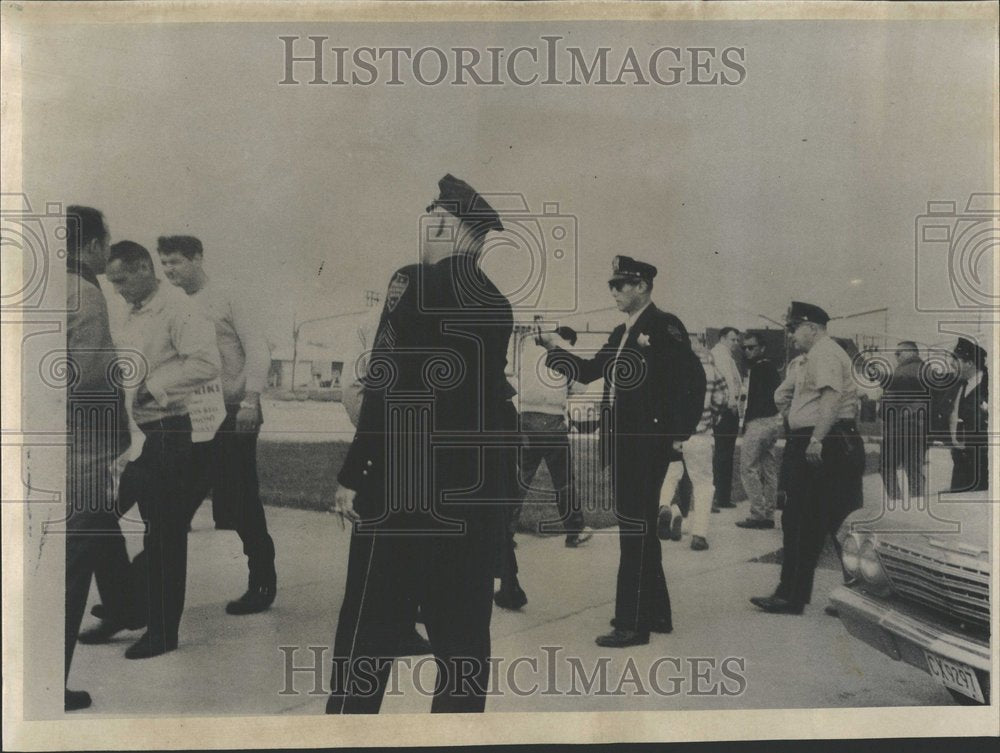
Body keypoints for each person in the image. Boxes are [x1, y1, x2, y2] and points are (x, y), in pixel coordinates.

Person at [326, 174, 515, 713]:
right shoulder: (497, 304)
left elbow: (385, 383)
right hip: (469, 501)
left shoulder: (411, 282)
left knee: (366, 638)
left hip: (401, 496)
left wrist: (353, 472)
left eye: (430, 219)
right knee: (462, 649)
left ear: (444, 223)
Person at [539, 255, 704, 647]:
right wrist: (553, 348)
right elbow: (589, 371)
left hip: (647, 443)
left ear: (643, 286)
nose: (614, 291)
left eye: (621, 285)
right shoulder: (623, 332)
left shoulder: (663, 326)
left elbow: (691, 380)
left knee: (634, 530)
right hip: (625, 444)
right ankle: (656, 613)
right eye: (612, 285)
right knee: (640, 526)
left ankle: (632, 623)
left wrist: (678, 434)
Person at [103, 241, 221, 658]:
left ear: (141, 269)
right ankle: (123, 607)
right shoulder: (129, 309)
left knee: (165, 533)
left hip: (169, 433)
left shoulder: (179, 308)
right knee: (105, 520)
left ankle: (163, 630)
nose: (116, 289)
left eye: (121, 280)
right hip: (134, 434)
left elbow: (206, 363)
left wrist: (153, 390)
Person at [157, 235, 277, 614]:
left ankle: (262, 582)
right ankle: (135, 594)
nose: (169, 270)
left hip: (232, 411)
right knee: (175, 500)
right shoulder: (171, 305)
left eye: (175, 261)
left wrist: (251, 399)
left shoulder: (227, 296)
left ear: (197, 258)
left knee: (241, 499)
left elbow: (257, 347)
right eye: (164, 263)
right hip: (191, 413)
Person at [63, 206, 135, 710]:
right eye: (105, 243)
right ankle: (49, 679)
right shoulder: (85, 292)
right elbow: (87, 379)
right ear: (91, 246)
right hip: (81, 449)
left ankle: (125, 604)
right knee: (72, 567)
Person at [750, 302, 864, 615]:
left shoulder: (825, 352)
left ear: (811, 328)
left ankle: (799, 595)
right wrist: (797, 419)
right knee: (809, 519)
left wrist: (815, 437)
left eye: (793, 328)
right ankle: (796, 595)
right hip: (819, 439)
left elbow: (831, 397)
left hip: (826, 441)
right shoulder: (810, 358)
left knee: (823, 519)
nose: (790, 335)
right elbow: (782, 395)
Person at [337, 304, 432, 656]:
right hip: (389, 450)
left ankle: (402, 626)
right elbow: (356, 388)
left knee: (407, 543)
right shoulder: (375, 328)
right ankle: (377, 633)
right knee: (380, 551)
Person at [657, 340, 726, 551]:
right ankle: (699, 535)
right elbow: (721, 400)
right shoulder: (713, 372)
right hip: (701, 434)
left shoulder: (674, 371)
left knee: (670, 473)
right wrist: (712, 419)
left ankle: (665, 505)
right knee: (703, 483)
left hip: (675, 434)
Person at [736, 333, 782, 529]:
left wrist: (746, 424)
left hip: (759, 422)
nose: (747, 351)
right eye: (745, 348)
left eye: (751, 347)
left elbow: (753, 401)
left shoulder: (758, 369)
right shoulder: (771, 367)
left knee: (748, 467)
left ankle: (758, 514)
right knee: (769, 468)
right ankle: (769, 514)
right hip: (773, 422)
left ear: (762, 348)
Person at [878, 341, 930, 499]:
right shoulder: (907, 369)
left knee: (899, 467)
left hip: (907, 426)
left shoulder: (916, 368)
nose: (896, 356)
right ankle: (910, 501)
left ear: (911, 352)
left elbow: (903, 391)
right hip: (904, 426)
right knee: (910, 467)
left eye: (898, 353)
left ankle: (901, 500)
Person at [947, 337, 988, 492]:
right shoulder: (962, 385)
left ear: (970, 363)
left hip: (981, 464)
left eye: (956, 360)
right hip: (961, 462)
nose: (951, 364)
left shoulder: (988, 388)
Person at [710, 326, 743, 510]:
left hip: (728, 408)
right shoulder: (720, 354)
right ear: (722, 338)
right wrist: (731, 404)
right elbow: (727, 381)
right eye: (733, 339)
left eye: (737, 340)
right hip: (725, 410)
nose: (736, 343)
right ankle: (718, 497)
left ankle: (722, 496)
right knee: (723, 454)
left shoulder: (726, 355)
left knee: (725, 454)